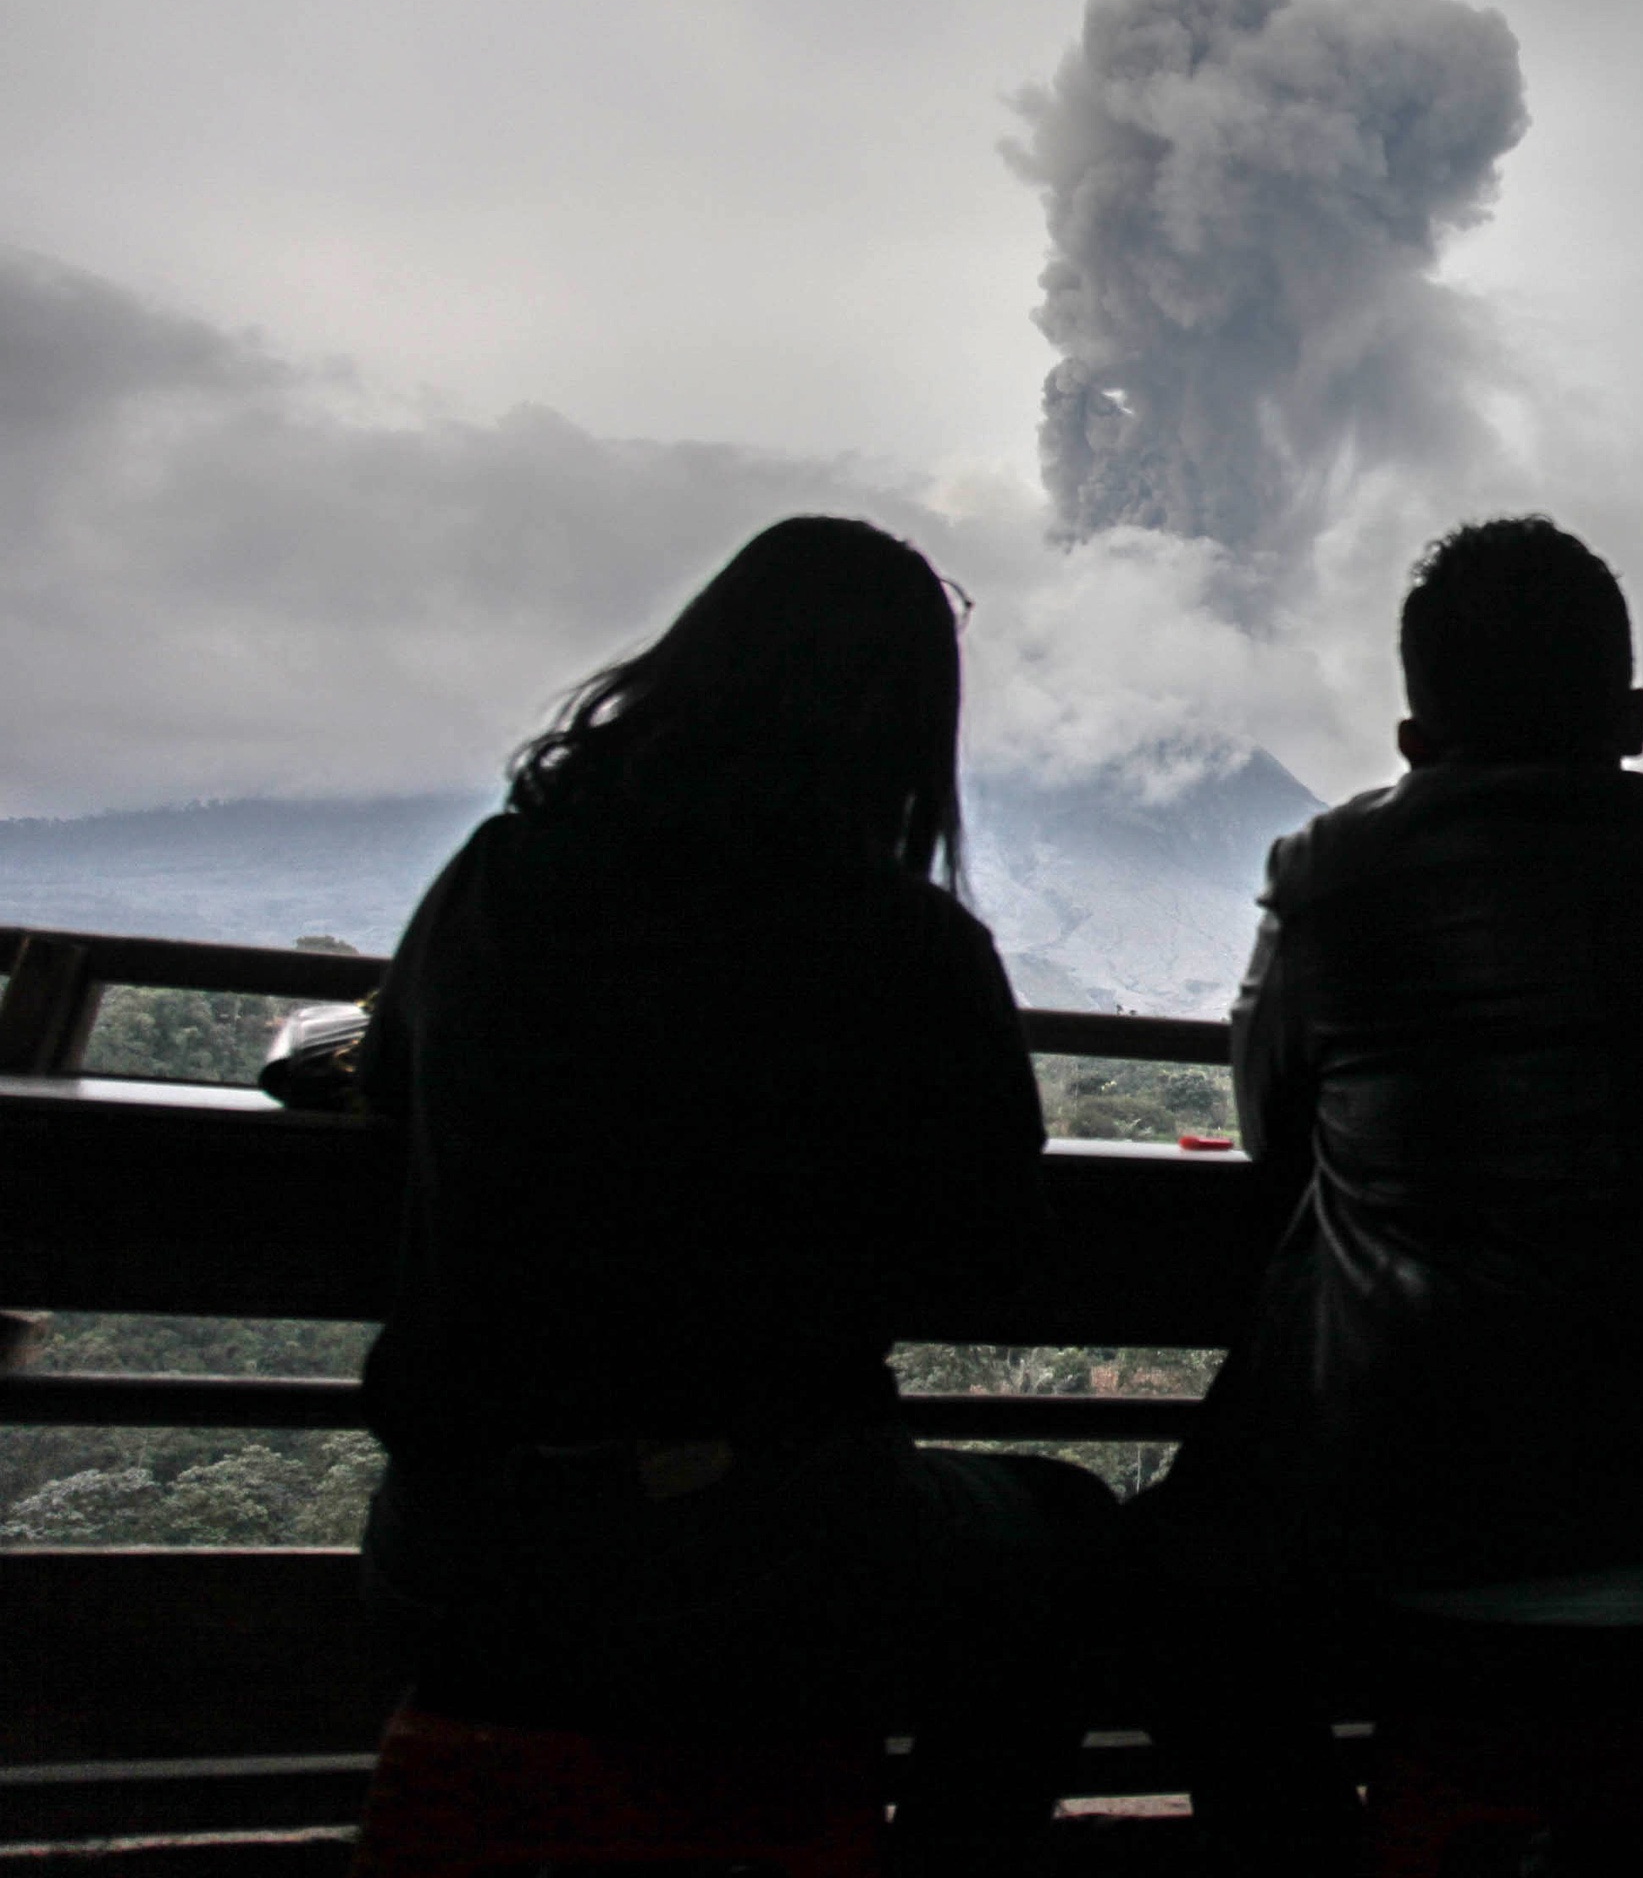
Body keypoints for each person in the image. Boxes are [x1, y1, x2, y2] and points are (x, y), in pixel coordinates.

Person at [352, 517, 1114, 1877]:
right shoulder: (907, 948)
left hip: (455, 1550)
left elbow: (390, 1085)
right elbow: (995, 1248)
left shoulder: (500, 878)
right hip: (754, 1558)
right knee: (1063, 1542)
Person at [1141, 516, 1643, 1865]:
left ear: (1414, 742)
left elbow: (1269, 1132)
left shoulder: (1330, 874)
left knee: (1180, 1609)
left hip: (1440, 1553)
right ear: (1637, 717)